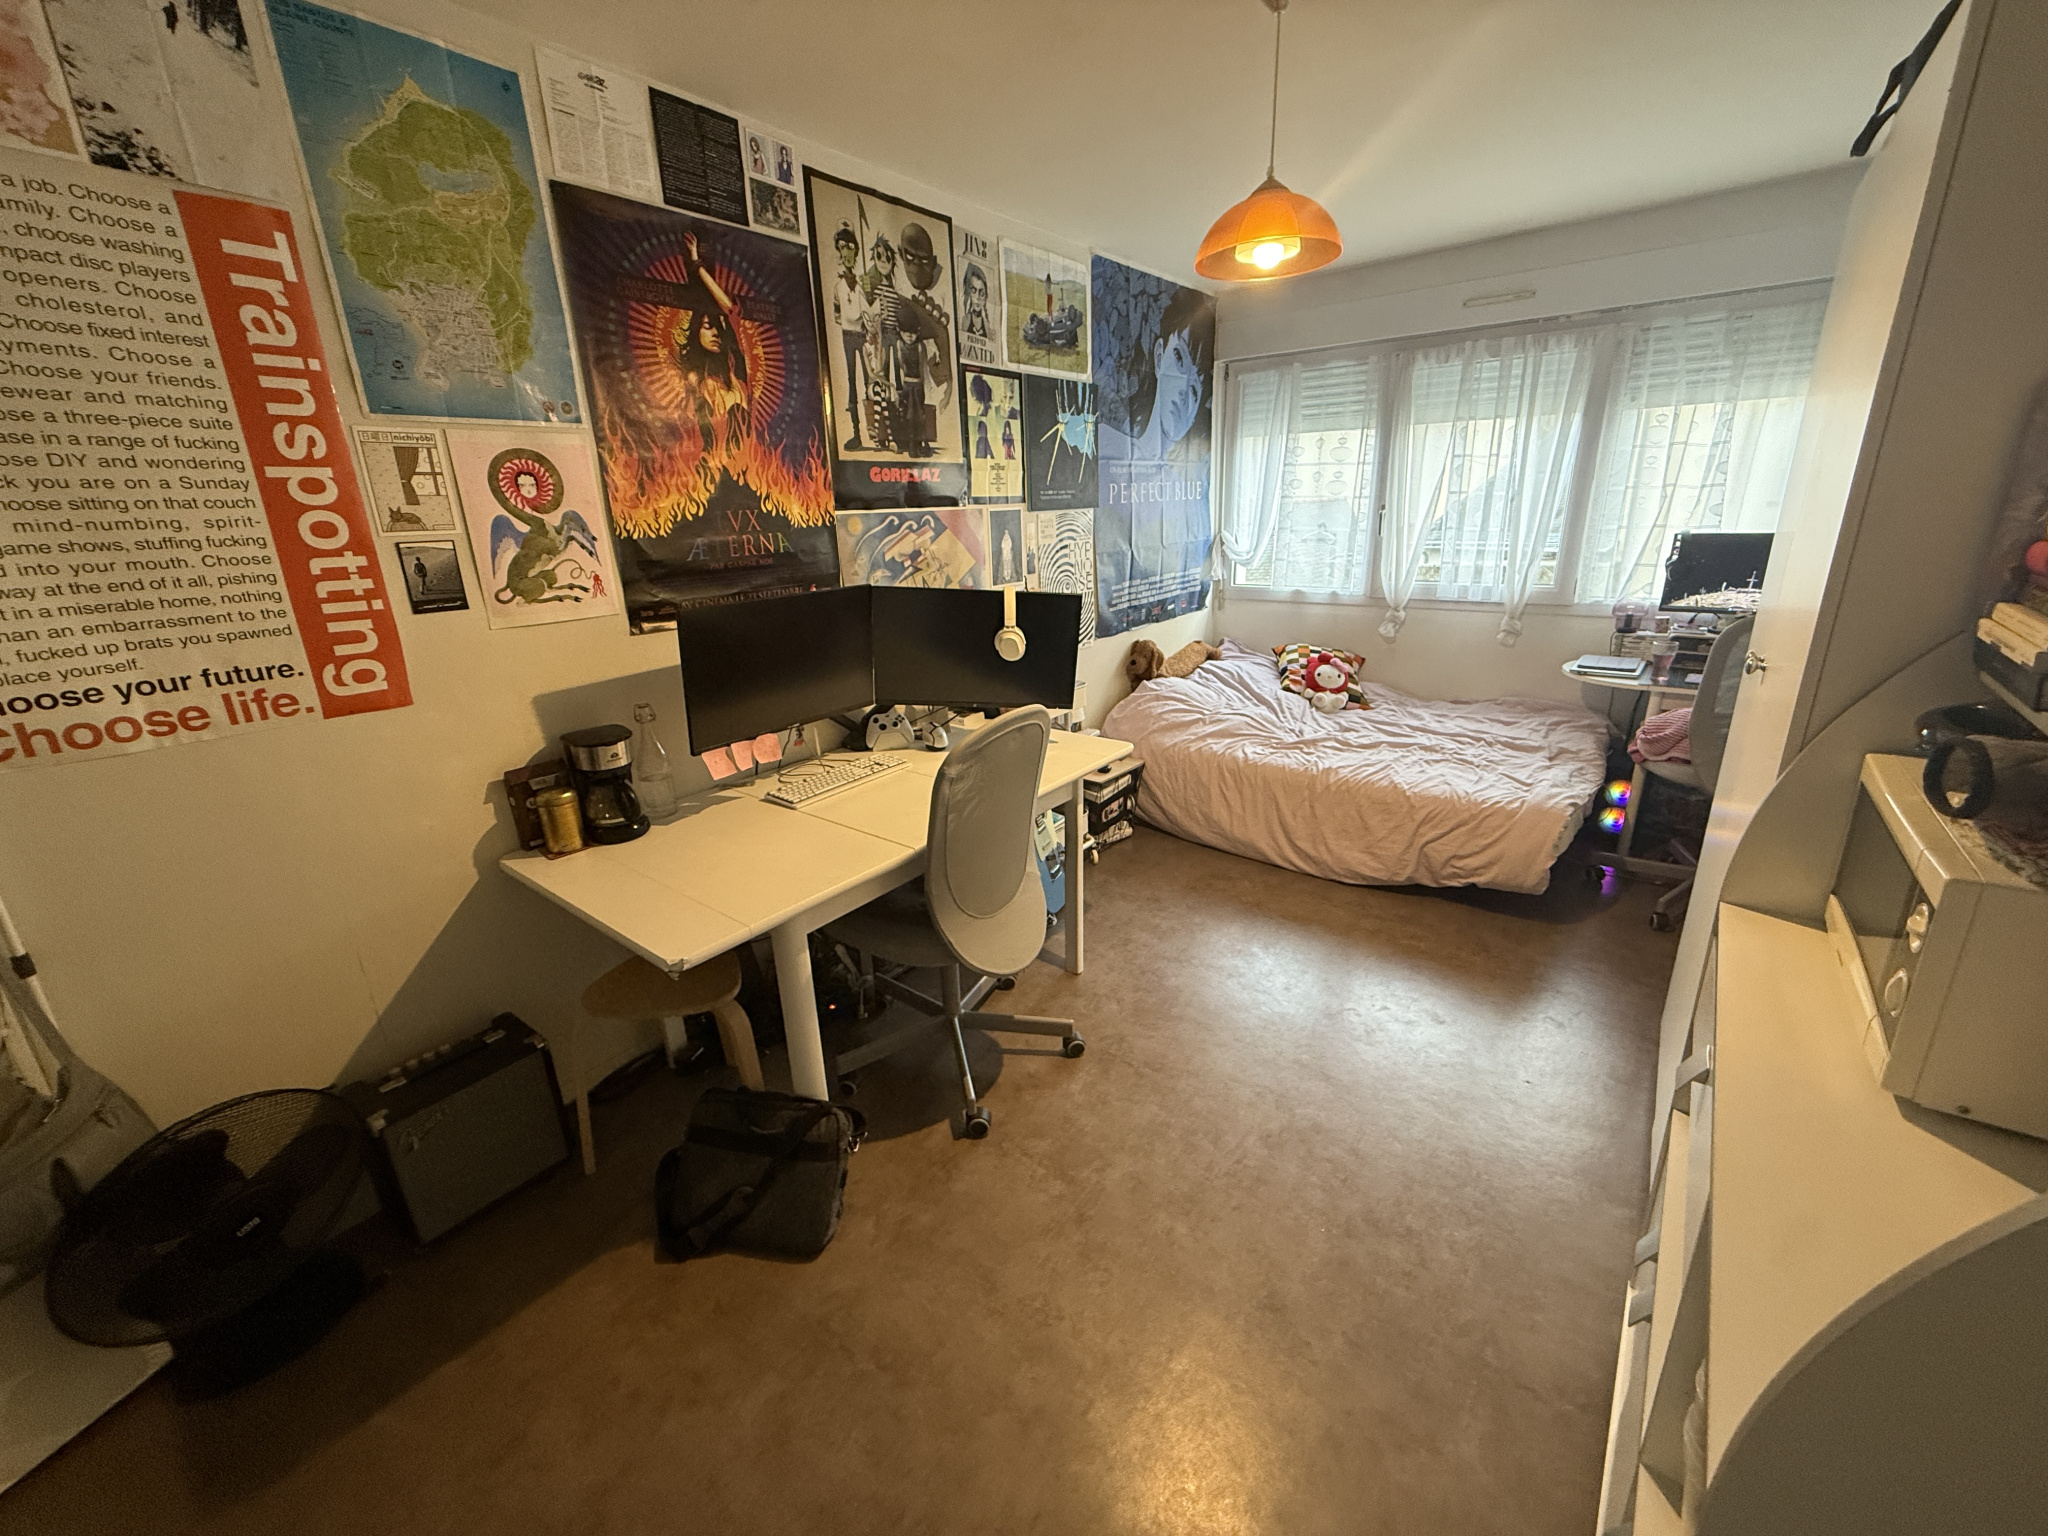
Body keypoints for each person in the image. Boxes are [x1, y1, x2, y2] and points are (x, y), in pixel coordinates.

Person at [1099, 286, 1215, 466]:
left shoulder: (1182, 477)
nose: (1183, 391)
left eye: (1194, 390)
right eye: (1179, 358)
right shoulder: (1109, 444)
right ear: (1159, 356)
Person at [828, 222, 869, 451]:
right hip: (848, 336)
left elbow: (871, 311)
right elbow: (837, 315)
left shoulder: (864, 284)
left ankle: (876, 431)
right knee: (852, 382)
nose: (846, 253)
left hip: (863, 335)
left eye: (850, 247)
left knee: (870, 382)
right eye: (842, 247)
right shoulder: (838, 287)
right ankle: (856, 433)